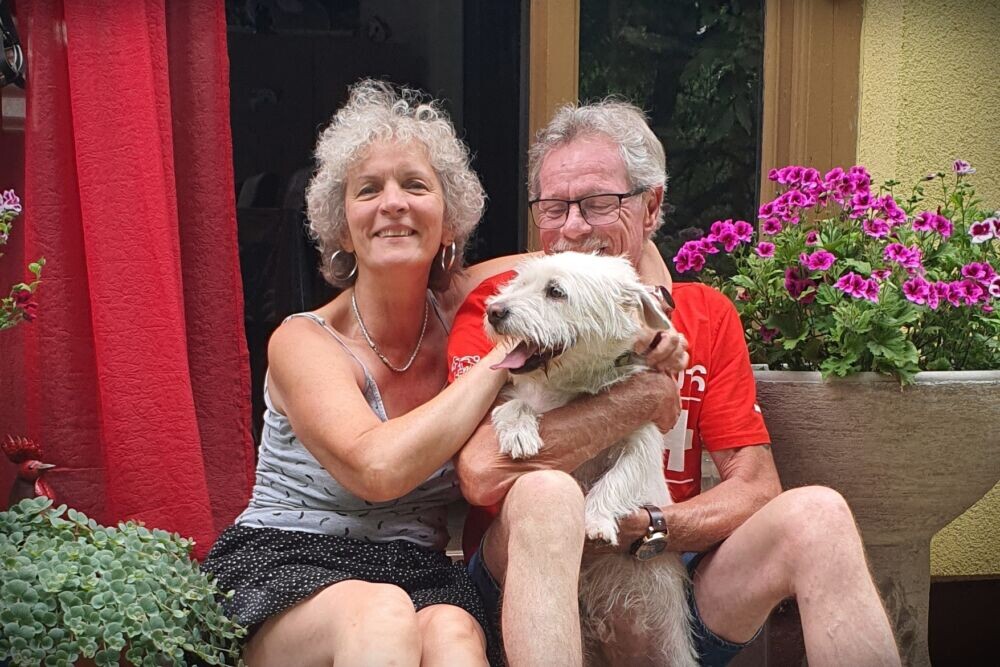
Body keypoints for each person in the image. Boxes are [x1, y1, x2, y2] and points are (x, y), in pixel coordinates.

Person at [449, 101, 902, 666]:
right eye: (554, 207)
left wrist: (652, 529)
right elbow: (483, 473)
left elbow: (756, 488)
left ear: (651, 206)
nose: (572, 227)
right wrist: (640, 398)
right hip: (523, 587)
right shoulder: (503, 310)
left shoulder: (706, 314)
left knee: (820, 514)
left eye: (598, 203)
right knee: (546, 495)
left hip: (660, 582)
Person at [202, 79, 527, 666]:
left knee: (454, 634)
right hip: (288, 563)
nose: (392, 203)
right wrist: (502, 361)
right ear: (342, 229)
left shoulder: (469, 306)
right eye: (369, 189)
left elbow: (607, 257)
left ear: (449, 222)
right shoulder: (304, 341)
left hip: (417, 570)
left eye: (415, 185)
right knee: (382, 614)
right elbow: (376, 470)